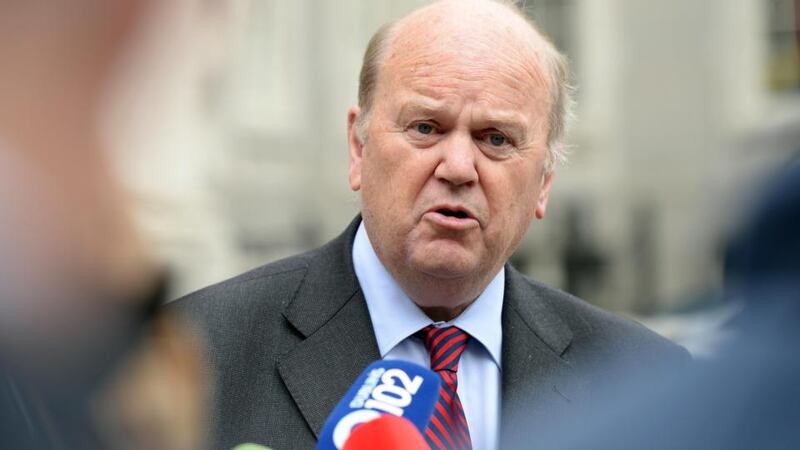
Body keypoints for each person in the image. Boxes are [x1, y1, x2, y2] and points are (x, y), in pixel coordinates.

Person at [174, 1, 688, 449]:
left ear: (544, 182)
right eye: (425, 127)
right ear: (358, 147)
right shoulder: (195, 353)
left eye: (496, 139)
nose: (458, 168)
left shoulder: (646, 379)